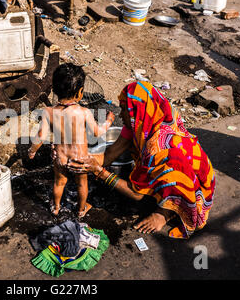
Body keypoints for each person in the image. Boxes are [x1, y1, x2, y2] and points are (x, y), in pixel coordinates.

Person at [67, 81, 216, 239]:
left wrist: (100, 172)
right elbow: (110, 154)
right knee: (157, 173)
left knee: (162, 182)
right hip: (175, 166)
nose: (119, 114)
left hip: (193, 183)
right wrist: (82, 159)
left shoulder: (158, 147)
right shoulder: (144, 119)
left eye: (123, 109)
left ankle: (167, 212)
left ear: (135, 112)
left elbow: (136, 193)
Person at [28, 63, 115, 218]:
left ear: (54, 89)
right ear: (80, 92)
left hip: (60, 158)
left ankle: (55, 207)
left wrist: (32, 151)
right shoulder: (84, 112)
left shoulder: (48, 112)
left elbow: (41, 136)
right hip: (79, 160)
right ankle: (81, 210)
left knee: (59, 183)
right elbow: (96, 132)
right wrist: (108, 121)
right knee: (82, 184)